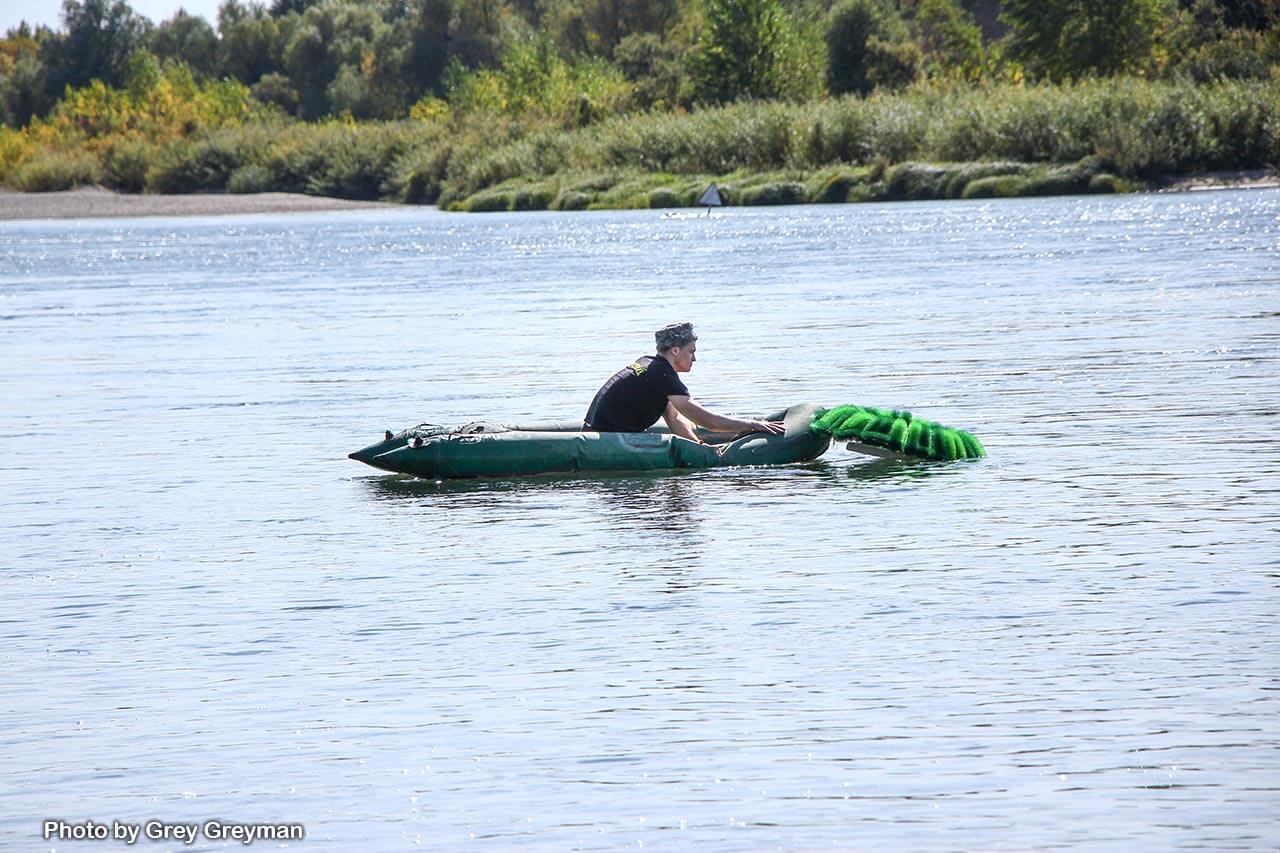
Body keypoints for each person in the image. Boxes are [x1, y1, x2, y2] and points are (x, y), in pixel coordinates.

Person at [584, 323, 784, 445]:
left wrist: (699, 446)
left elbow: (673, 418)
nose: (694, 358)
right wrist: (752, 424)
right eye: (691, 351)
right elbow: (709, 422)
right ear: (675, 351)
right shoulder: (661, 374)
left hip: (599, 433)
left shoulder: (651, 365)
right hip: (608, 441)